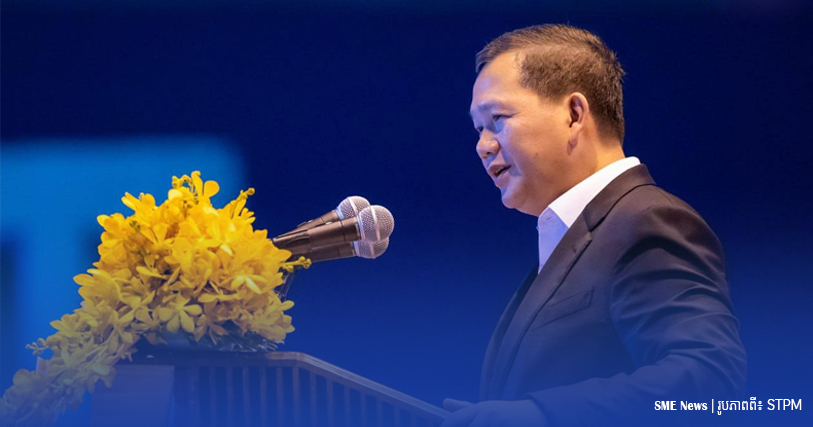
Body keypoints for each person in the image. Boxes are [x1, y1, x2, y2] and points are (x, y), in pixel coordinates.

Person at [440, 24, 746, 426]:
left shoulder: (646, 221)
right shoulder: (574, 237)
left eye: (497, 118)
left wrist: (542, 415)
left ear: (574, 114)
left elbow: (710, 378)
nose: (483, 145)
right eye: (478, 128)